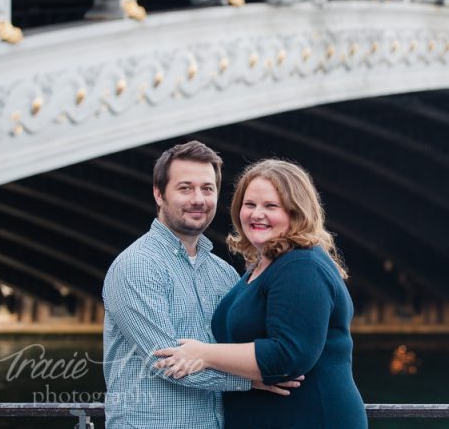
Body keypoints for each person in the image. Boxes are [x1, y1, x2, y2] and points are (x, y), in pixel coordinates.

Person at [154, 159, 368, 428]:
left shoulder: (302, 266)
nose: (256, 214)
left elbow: (288, 356)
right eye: (250, 204)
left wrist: (205, 355)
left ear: (296, 211)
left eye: (271, 206)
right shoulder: (265, 265)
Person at [103, 142, 298, 429]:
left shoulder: (223, 273)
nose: (198, 199)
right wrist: (254, 377)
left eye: (207, 189)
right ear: (159, 194)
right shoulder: (136, 266)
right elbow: (168, 361)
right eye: (185, 188)